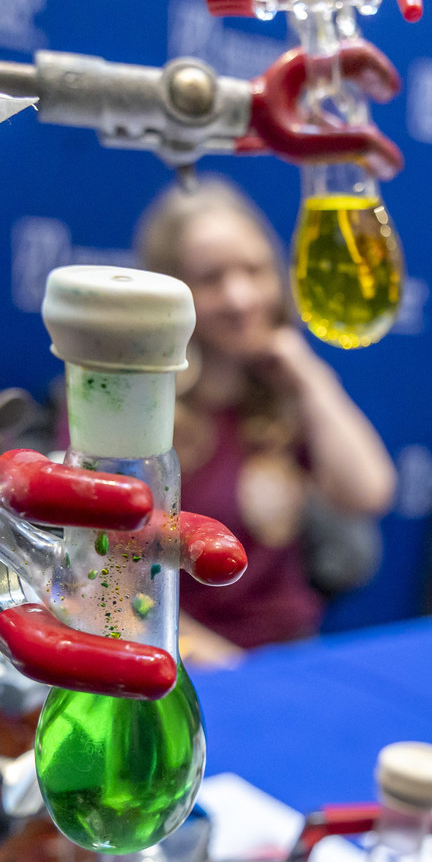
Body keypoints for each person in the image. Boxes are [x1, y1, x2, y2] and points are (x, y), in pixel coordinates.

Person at [133, 177, 396, 658]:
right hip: (182, 660)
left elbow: (369, 492)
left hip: (289, 654)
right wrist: (220, 661)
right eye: (211, 279)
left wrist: (308, 374)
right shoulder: (133, 405)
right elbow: (113, 577)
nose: (240, 298)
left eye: (255, 271)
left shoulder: (281, 396)